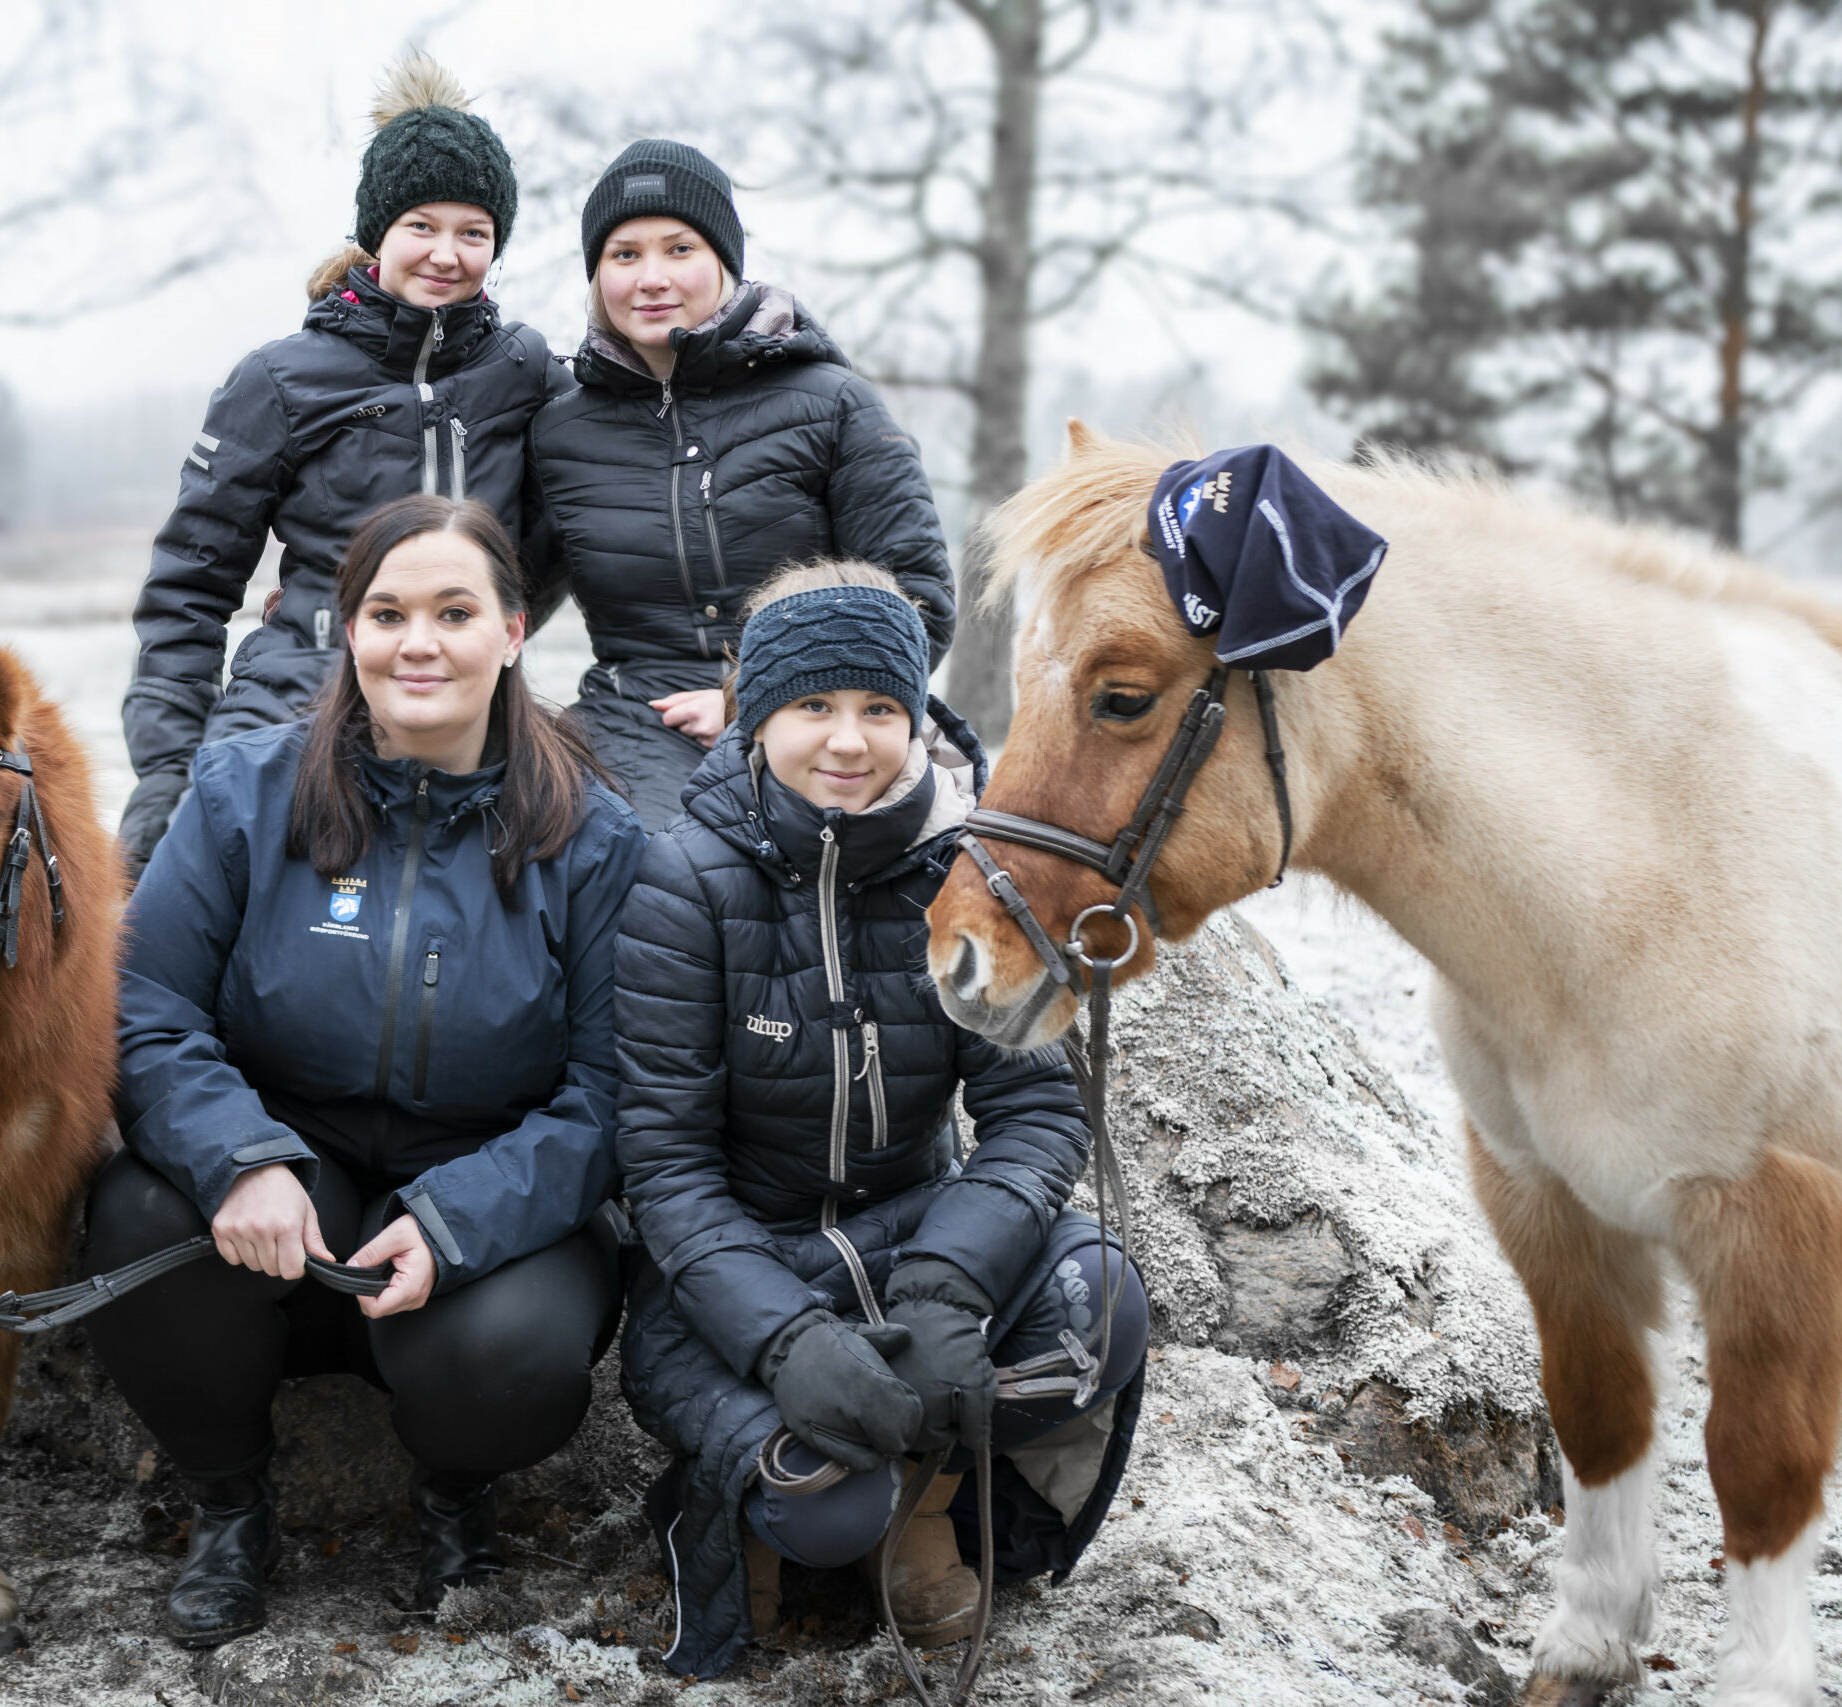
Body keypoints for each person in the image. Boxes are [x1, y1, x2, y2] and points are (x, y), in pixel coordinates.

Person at [83, 495, 643, 1647]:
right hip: (289, 1186)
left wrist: (458, 1222)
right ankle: (231, 1504)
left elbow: (612, 1094)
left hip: (491, 1202)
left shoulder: (595, 839)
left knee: (513, 1360)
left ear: (514, 631)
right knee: (141, 1217)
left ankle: (453, 1495)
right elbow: (143, 1009)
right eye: (385, 612)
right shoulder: (243, 791)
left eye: (453, 611)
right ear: (347, 631)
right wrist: (239, 1160)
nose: (417, 642)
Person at [613, 561, 1149, 1681]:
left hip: (917, 1241)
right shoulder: (681, 884)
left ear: (915, 721)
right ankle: (771, 1503)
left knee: (1095, 1308)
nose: (847, 741)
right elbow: (662, 1167)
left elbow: (1033, 1107)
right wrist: (785, 1338)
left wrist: (952, 1281)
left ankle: (929, 1497)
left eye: (879, 710)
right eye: (813, 706)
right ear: (757, 716)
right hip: (737, 1274)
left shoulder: (970, 873)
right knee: (822, 1512)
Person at [119, 57, 571, 867]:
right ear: (377, 232)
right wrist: (165, 766)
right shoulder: (282, 379)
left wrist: (495, 625)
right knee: (177, 875)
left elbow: (592, 510)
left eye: (474, 233)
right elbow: (190, 582)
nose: (446, 254)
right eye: (421, 226)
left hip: (466, 691)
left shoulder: (526, 371)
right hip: (298, 682)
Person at [526, 141, 956, 831]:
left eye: (679, 248)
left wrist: (750, 696)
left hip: (814, 720)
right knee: (609, 860)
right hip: (627, 725)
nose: (651, 277)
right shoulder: (559, 431)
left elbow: (919, 602)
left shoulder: (831, 403)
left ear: (724, 260)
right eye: (624, 254)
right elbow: (502, 594)